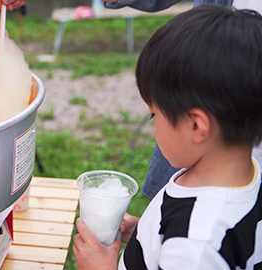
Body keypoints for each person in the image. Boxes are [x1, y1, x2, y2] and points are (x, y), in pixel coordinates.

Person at [73, 5, 262, 269]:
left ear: (196, 125)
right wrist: (149, 235)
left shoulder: (195, 247)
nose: (154, 125)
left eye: (154, 115)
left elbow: (191, 249)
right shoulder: (245, 176)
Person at [100, 0, 262, 200]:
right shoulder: (239, 187)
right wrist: (139, 232)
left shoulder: (192, 229)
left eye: (154, 115)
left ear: (196, 125)